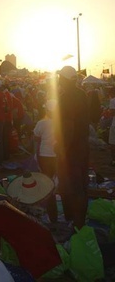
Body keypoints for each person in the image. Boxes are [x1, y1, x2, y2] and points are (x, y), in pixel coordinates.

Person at [54, 65, 89, 229]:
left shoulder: (66, 98)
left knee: (74, 188)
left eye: (61, 77)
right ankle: (79, 220)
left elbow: (68, 127)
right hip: (83, 145)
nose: (59, 79)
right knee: (81, 185)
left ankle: (78, 225)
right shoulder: (82, 94)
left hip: (72, 148)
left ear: (66, 80)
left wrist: (62, 150)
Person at [33, 98, 58, 222]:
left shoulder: (42, 123)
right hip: (58, 156)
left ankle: (52, 216)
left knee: (47, 183)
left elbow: (36, 137)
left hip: (45, 155)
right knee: (56, 181)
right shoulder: (62, 122)